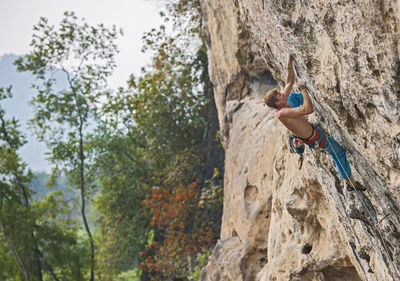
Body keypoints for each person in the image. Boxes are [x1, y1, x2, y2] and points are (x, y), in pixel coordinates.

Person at [264, 55, 366, 191]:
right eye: (280, 96)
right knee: (338, 153)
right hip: (316, 139)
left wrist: (289, 64)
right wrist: (304, 89)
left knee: (292, 97)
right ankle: (350, 183)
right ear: (277, 103)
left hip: (311, 131)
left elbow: (289, 82)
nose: (283, 94)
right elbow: (308, 110)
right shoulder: (282, 114)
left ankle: (305, 96)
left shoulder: (283, 102)